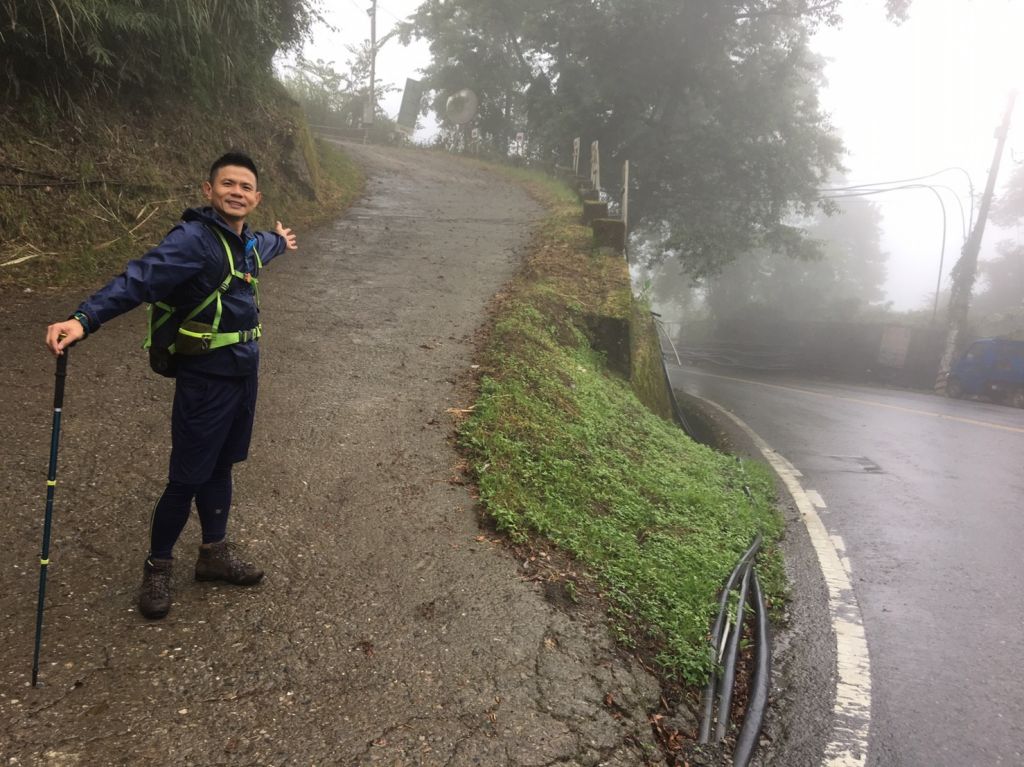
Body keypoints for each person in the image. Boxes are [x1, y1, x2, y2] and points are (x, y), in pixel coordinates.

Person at [45, 151, 298, 620]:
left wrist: (281, 239)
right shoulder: (193, 240)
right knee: (187, 477)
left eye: (245, 187)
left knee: (222, 467)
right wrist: (84, 318)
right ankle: (157, 565)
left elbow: (267, 243)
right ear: (208, 191)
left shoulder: (249, 244)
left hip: (244, 373)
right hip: (205, 379)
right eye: (227, 184)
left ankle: (213, 554)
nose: (236, 193)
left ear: (256, 198)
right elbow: (139, 279)